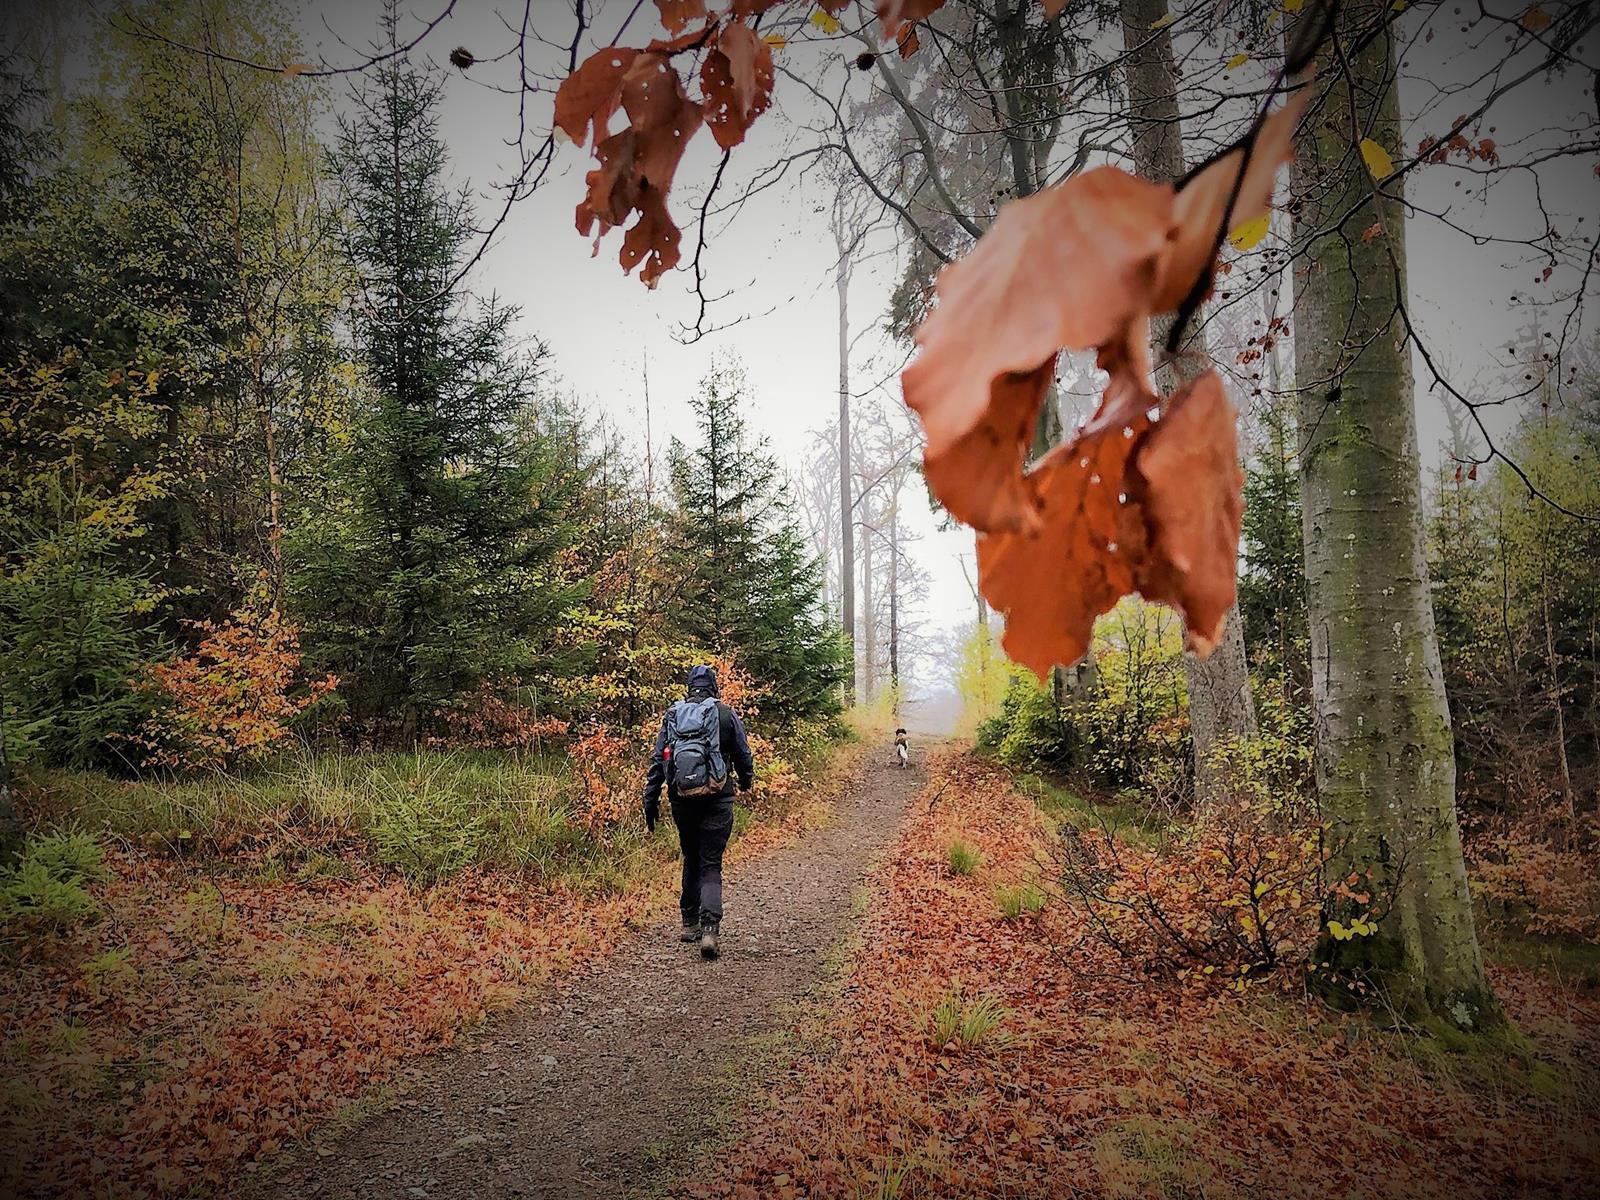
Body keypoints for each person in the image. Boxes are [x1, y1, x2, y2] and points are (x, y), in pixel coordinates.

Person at [642, 664, 754, 960]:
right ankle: (709, 930)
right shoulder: (725, 713)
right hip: (718, 798)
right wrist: (745, 781)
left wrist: (650, 800)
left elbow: (658, 761)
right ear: (714, 686)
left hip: (682, 800)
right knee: (710, 863)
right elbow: (743, 753)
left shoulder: (673, 715)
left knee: (691, 857)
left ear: (689, 687)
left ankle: (689, 922)